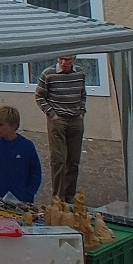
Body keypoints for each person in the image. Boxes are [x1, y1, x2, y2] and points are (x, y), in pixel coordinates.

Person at [35, 54, 87, 202]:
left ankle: (69, 196)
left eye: (68, 59)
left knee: (73, 160)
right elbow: (39, 96)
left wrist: (82, 112)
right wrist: (52, 114)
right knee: (59, 160)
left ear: (74, 59)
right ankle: (58, 196)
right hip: (58, 120)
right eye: (61, 59)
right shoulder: (48, 74)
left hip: (75, 119)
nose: (64, 62)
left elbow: (83, 94)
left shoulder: (80, 73)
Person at [0, 105, 42, 203]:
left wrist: (29, 193)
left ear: (13, 126)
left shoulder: (26, 146)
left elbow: (35, 172)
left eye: (1, 125)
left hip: (21, 198)